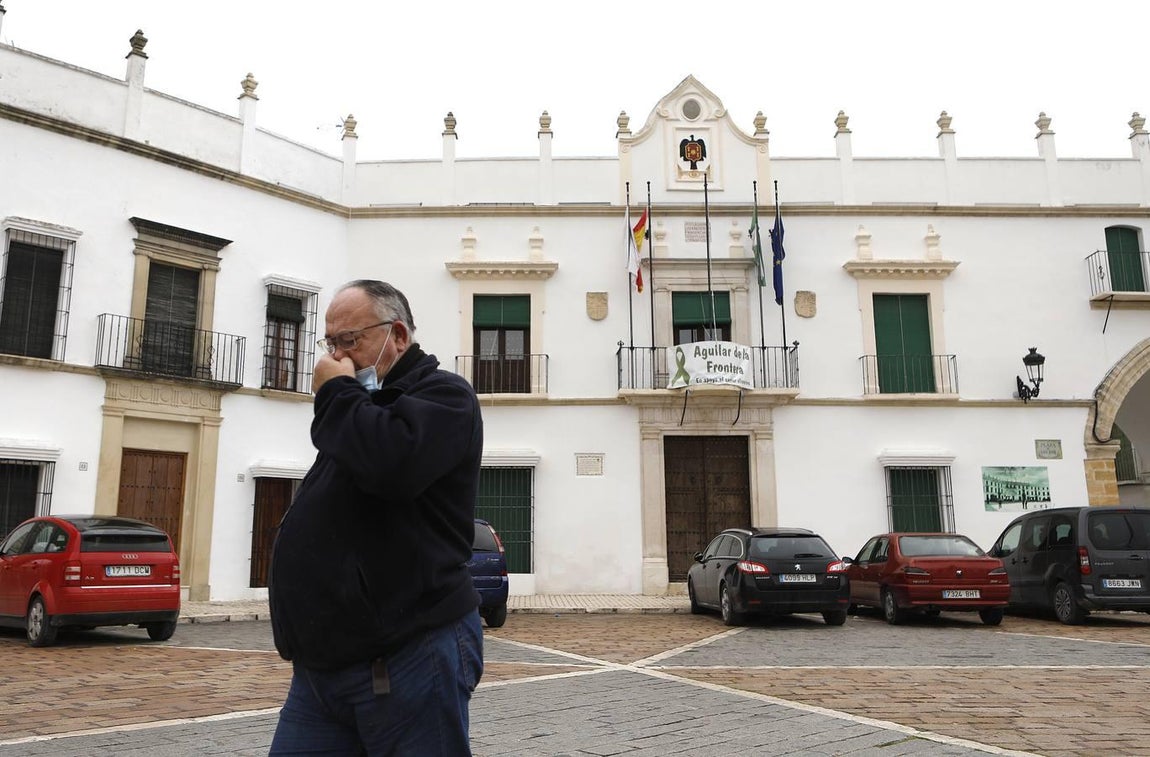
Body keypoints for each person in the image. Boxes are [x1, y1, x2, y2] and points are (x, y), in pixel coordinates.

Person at [268, 279, 484, 755]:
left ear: (398, 336)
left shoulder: (445, 398)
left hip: (406, 656)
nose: (339, 357)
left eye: (350, 341)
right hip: (322, 670)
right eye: (331, 343)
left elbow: (391, 465)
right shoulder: (357, 407)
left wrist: (336, 393)